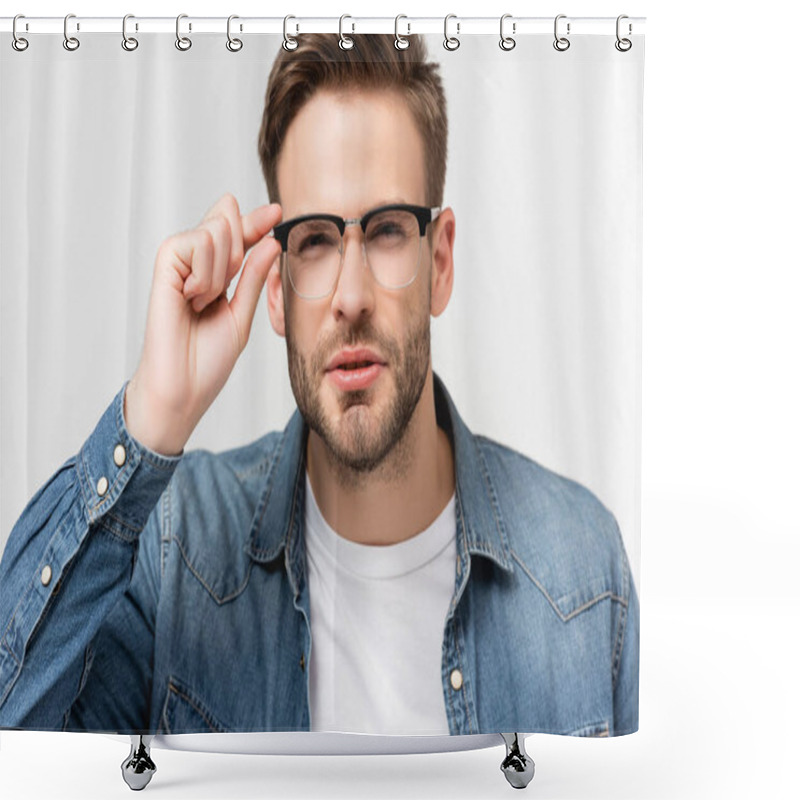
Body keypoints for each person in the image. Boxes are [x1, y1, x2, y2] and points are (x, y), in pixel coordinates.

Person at [0, 34, 638, 737]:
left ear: (443, 260)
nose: (351, 296)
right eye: (315, 240)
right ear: (274, 288)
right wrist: (150, 418)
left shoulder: (584, 570)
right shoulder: (176, 551)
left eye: (390, 230)